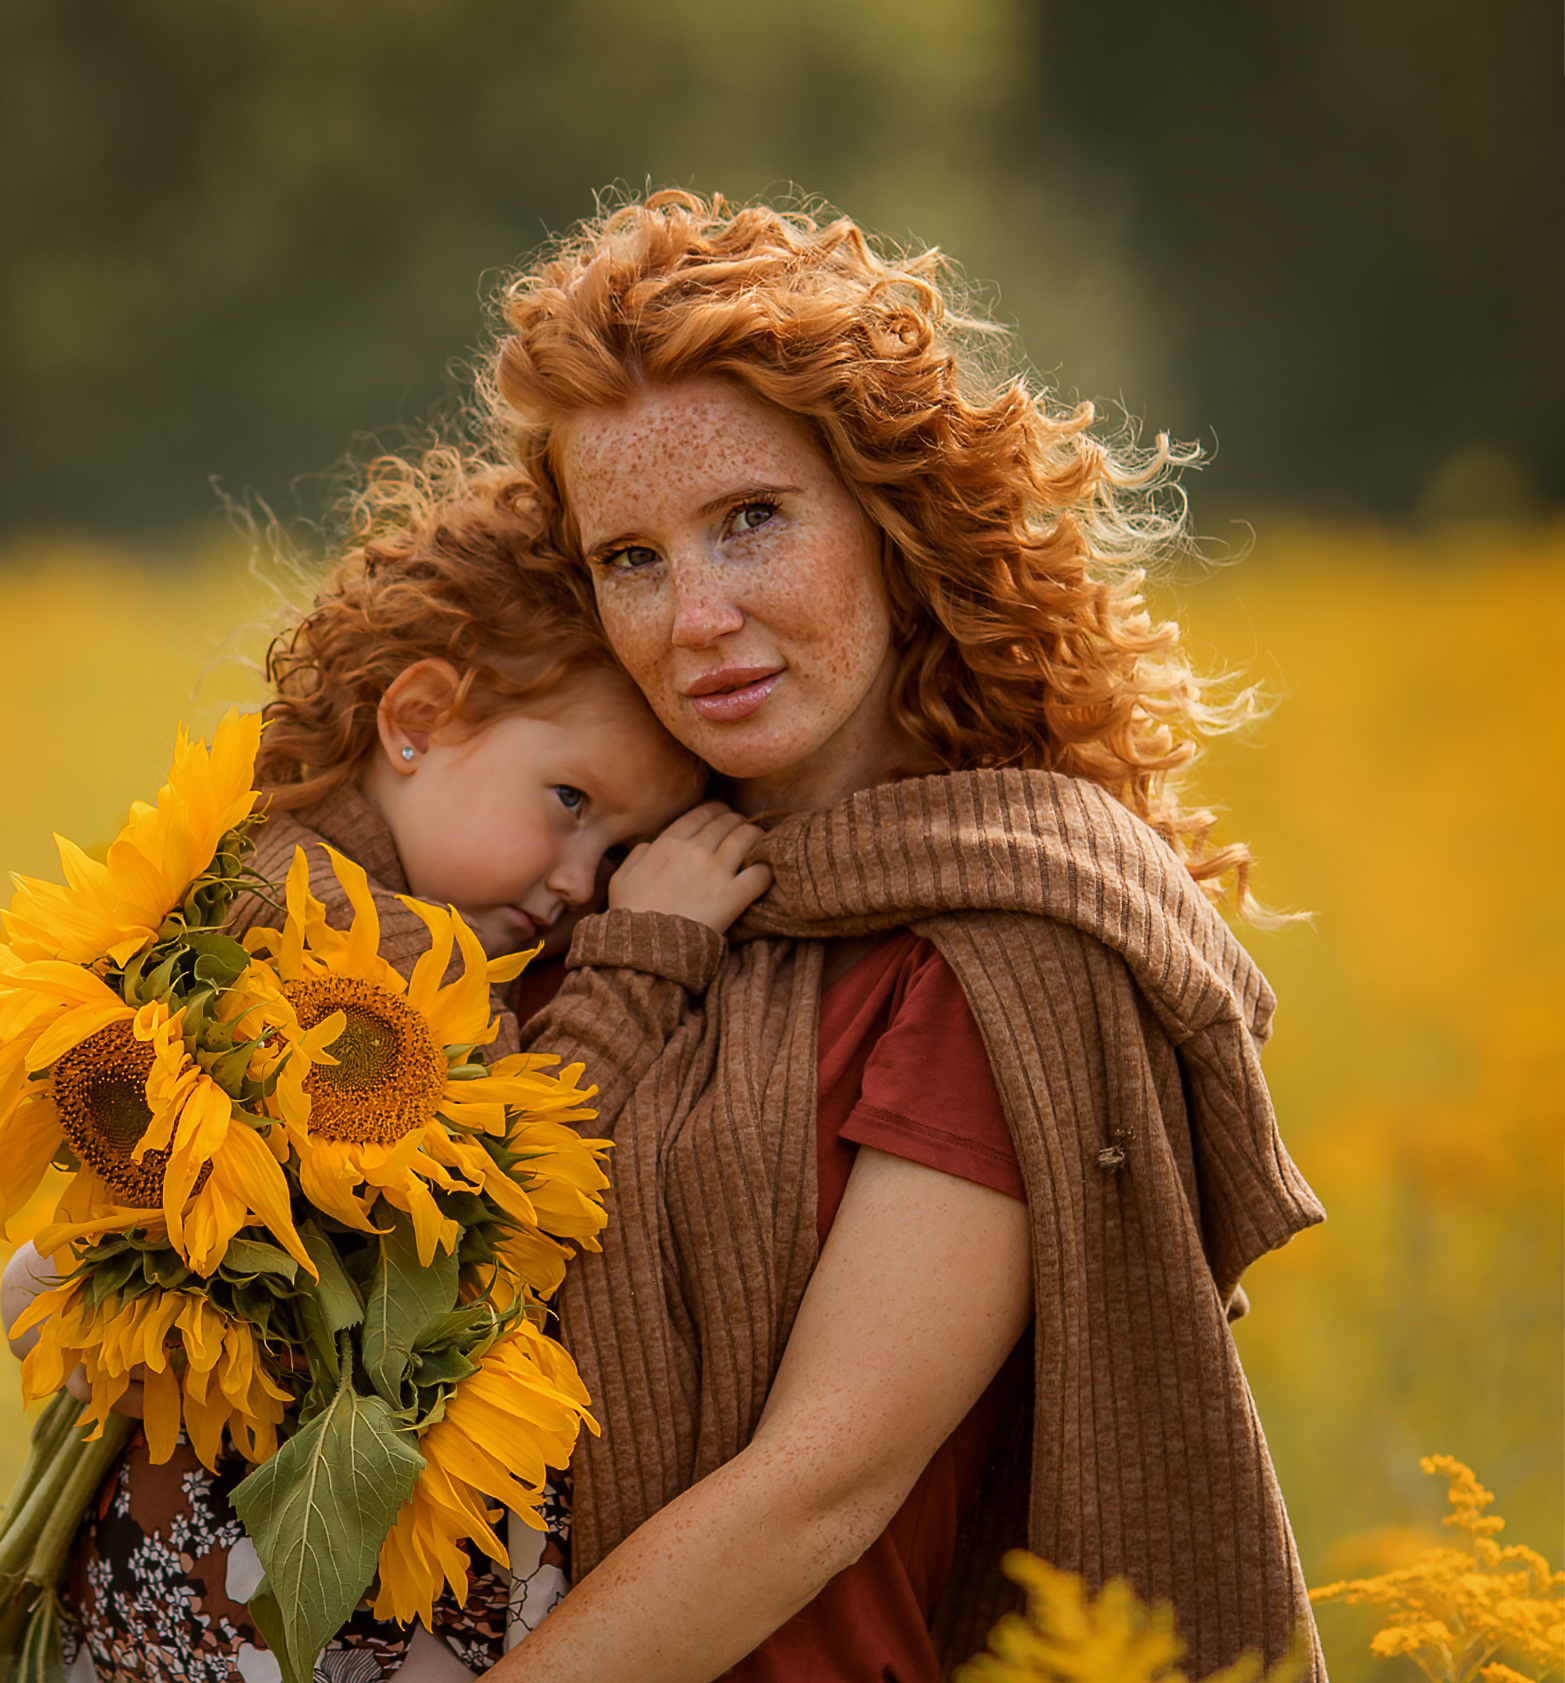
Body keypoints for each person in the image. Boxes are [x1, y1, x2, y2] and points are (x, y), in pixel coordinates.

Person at [472, 192, 1327, 1682]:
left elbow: (822, 1485)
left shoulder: (1011, 949)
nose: (697, 618)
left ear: (887, 516)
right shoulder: (590, 900)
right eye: (632, 558)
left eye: (750, 520)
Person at [0, 449, 775, 1682]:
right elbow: (496, 1170)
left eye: (620, 848)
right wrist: (645, 960)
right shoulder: (364, 953)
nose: (582, 882)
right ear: (415, 720)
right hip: (258, 1577)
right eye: (569, 801)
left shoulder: (265, 854)